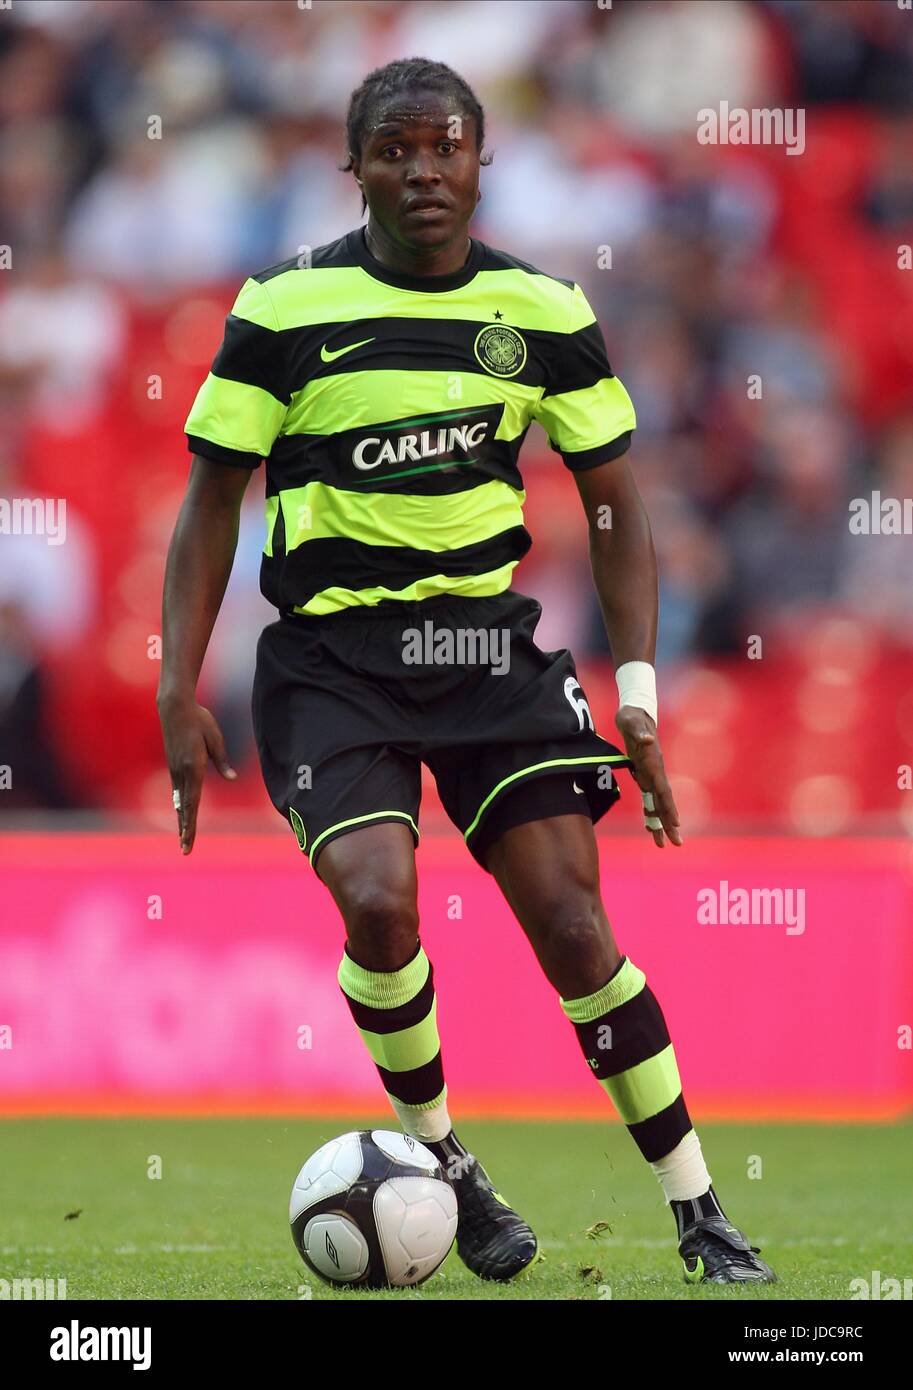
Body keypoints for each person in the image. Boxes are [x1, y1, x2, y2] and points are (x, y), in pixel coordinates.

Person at [158, 57, 775, 1287]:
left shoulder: (541, 314)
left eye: (445, 148)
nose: (422, 171)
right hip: (331, 659)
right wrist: (176, 687)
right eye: (395, 150)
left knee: (573, 925)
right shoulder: (281, 310)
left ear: (481, 162)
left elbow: (615, 506)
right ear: (357, 167)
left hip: (487, 653)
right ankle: (447, 1167)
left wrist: (638, 694)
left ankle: (703, 1214)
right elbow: (208, 504)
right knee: (380, 901)